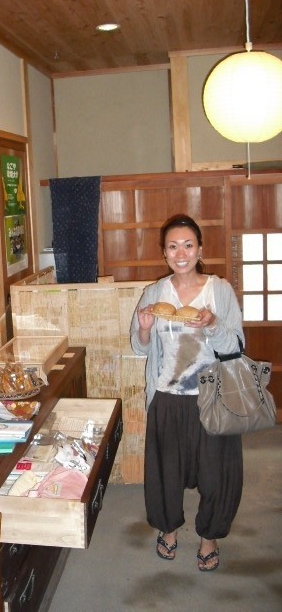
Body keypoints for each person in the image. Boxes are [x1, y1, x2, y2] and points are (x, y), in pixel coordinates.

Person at [130, 213, 244, 572]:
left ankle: (209, 537)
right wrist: (145, 329)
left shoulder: (219, 291)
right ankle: (168, 529)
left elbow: (236, 346)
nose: (181, 253)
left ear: (200, 250)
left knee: (216, 474)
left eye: (188, 245)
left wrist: (212, 324)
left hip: (213, 398)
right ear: (164, 253)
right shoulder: (154, 293)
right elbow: (139, 347)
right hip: (167, 396)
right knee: (166, 472)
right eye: (173, 246)